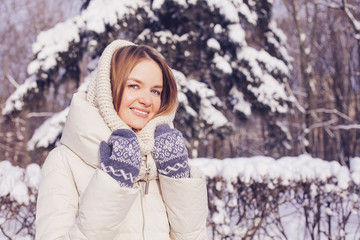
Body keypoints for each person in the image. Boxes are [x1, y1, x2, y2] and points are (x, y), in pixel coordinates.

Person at [35, 40, 208, 240]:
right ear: (107, 89)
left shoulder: (165, 158)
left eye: (155, 91)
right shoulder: (64, 162)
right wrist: (113, 183)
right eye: (134, 86)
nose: (147, 99)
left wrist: (178, 183)